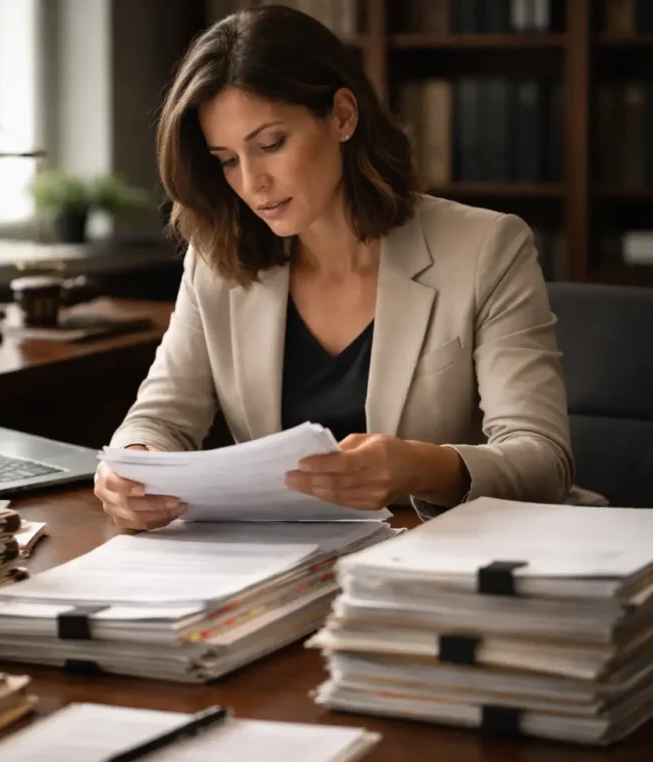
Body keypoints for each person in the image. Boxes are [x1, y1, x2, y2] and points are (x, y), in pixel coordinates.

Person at [94, 5, 574, 531]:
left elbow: (543, 459)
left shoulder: (486, 247)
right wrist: (130, 467)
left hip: (444, 560)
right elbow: (160, 418)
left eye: (271, 144)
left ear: (343, 116)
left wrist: (418, 467)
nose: (252, 182)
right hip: (285, 565)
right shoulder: (217, 259)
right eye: (228, 159)